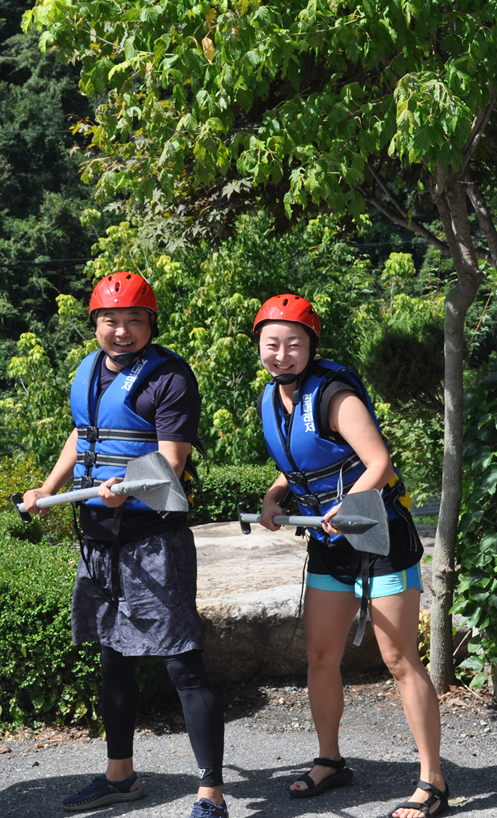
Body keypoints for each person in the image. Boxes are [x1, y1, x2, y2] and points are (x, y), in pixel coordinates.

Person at [22, 273, 226, 818]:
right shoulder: (89, 371)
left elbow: (171, 462)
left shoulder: (170, 377)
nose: (121, 330)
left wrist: (128, 488)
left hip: (152, 539)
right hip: (97, 539)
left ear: (150, 324)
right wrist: (48, 487)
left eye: (134, 320)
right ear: (95, 324)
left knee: (182, 663)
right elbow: (82, 434)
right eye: (110, 320)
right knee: (114, 657)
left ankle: (211, 794)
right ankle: (120, 776)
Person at [252, 294, 448, 818]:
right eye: (272, 344)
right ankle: (330, 761)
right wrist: (274, 497)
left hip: (380, 536)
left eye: (294, 344)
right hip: (329, 543)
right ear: (260, 346)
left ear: (311, 346)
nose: (282, 354)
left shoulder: (334, 395)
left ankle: (432, 779)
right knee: (321, 655)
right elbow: (299, 463)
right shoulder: (272, 398)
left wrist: (348, 504)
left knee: (399, 659)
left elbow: (378, 462)